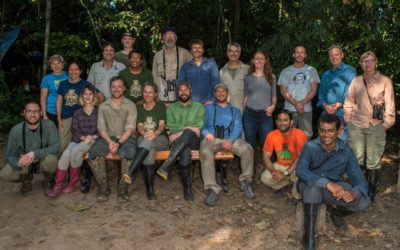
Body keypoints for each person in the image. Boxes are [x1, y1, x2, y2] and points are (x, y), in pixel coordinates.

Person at [296, 114, 370, 250]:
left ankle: (336, 210)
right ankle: (309, 238)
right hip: (308, 185)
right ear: (318, 130)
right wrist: (326, 183)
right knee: (314, 189)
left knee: (364, 200)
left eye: (330, 130)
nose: (326, 135)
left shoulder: (346, 151)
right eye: (322, 130)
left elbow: (360, 181)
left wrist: (354, 193)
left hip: (333, 191)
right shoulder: (310, 146)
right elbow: (300, 171)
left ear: (339, 131)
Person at [344, 51, 395, 201]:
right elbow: (349, 102)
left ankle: (370, 194)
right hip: (357, 125)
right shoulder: (356, 81)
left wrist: (386, 124)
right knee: (356, 158)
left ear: (376, 62)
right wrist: (348, 120)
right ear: (361, 64)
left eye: (370, 61)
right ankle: (358, 190)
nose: (368, 64)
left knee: (373, 160)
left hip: (376, 125)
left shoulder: (385, 81)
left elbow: (390, 105)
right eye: (364, 61)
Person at [200, 83, 255, 206]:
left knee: (247, 148)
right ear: (215, 94)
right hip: (212, 139)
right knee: (204, 150)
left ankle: (246, 181)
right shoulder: (208, 108)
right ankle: (212, 188)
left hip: (230, 139)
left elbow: (238, 127)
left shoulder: (235, 110)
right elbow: (201, 124)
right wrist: (206, 133)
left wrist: (230, 139)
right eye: (218, 91)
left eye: (223, 91)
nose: (220, 93)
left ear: (227, 93)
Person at [88, 76, 137, 203]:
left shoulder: (131, 105)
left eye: (119, 86)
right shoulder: (103, 106)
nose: (116, 89)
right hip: (107, 138)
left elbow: (130, 129)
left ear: (124, 88)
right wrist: (110, 142)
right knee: (93, 153)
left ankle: (123, 188)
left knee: (130, 153)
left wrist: (119, 143)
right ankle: (103, 187)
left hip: (125, 138)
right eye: (114, 87)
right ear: (110, 89)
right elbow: (101, 128)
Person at [156, 81, 205, 201]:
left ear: (190, 91)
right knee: (185, 150)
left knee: (189, 134)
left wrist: (183, 131)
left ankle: (167, 165)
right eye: (181, 90)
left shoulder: (199, 107)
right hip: (180, 142)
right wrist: (188, 128)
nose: (183, 92)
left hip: (193, 141)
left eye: (185, 90)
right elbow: (172, 127)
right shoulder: (171, 108)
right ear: (178, 93)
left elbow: (198, 126)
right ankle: (187, 189)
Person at [48, 86, 99, 198]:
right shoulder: (77, 112)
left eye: (90, 94)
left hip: (93, 140)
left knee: (76, 150)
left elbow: (103, 129)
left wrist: (92, 137)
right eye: (85, 94)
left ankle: (73, 182)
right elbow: (75, 130)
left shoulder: (99, 112)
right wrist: (83, 138)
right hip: (78, 139)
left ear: (94, 96)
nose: (88, 96)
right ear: (81, 97)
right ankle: (57, 185)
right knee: (65, 154)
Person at [121, 83, 169, 200]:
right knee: (149, 151)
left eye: (150, 92)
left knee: (148, 143)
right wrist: (145, 134)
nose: (147, 95)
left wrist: (155, 133)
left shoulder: (161, 107)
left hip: (160, 139)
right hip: (144, 138)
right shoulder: (140, 109)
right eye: (145, 92)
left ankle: (131, 171)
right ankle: (150, 189)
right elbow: (140, 126)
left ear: (155, 94)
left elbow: (162, 125)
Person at [0, 101, 59, 194]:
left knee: (52, 160)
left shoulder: (50, 125)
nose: (32, 114)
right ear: (24, 113)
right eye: (29, 111)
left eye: (36, 111)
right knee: (5, 174)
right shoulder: (16, 130)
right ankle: (26, 180)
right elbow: (10, 154)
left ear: (41, 113)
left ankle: (47, 181)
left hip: (42, 160)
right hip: (25, 163)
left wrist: (35, 153)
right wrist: (18, 163)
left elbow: (55, 146)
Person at [56, 62, 104, 153]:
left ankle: (78, 166)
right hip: (66, 118)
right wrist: (59, 119)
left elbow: (101, 97)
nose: (73, 72)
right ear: (67, 71)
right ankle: (64, 166)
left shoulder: (85, 84)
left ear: (80, 71)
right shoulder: (63, 84)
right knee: (62, 146)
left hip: (82, 119)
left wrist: (94, 109)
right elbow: (59, 101)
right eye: (71, 69)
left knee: (80, 145)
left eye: (76, 69)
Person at [261, 109, 307, 199]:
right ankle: (288, 184)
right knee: (265, 178)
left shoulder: (299, 134)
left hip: (297, 166)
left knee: (300, 179)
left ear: (291, 122)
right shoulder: (271, 135)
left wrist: (285, 173)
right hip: (281, 164)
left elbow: (301, 157)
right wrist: (274, 172)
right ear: (276, 122)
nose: (282, 123)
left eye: (285, 120)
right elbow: (266, 156)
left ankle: (294, 191)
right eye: (280, 120)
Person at [278, 44, 319, 139]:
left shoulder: (312, 70)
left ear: (305, 55)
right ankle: (287, 154)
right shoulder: (286, 71)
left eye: (302, 52)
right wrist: (297, 104)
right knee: (287, 137)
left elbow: (314, 90)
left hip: (306, 110)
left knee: (305, 137)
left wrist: (302, 103)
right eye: (297, 52)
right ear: (293, 55)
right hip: (289, 110)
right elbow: (283, 91)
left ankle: (303, 154)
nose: (299, 55)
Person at [317, 45, 356, 140]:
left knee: (341, 144)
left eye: (336, 54)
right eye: (331, 55)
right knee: (325, 142)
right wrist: (325, 105)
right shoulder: (326, 74)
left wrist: (339, 104)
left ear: (342, 55)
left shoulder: (350, 71)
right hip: (326, 113)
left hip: (342, 114)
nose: (334, 57)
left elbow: (352, 93)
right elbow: (321, 94)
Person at [243, 50, 277, 149]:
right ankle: (250, 164)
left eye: (262, 59)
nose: (259, 61)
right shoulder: (247, 78)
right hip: (249, 114)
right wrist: (244, 111)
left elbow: (274, 96)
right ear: (253, 61)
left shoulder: (271, 77)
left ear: (265, 61)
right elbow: (246, 96)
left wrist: (273, 107)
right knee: (249, 143)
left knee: (267, 143)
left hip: (266, 115)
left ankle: (266, 164)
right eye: (257, 59)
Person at [152, 26, 192, 103]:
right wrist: (155, 93)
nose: (170, 38)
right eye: (167, 35)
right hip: (162, 94)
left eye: (172, 35)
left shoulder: (184, 53)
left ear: (176, 38)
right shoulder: (157, 55)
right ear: (163, 38)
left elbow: (193, 69)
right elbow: (154, 74)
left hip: (179, 94)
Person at [177, 39, 220, 105]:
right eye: (194, 48)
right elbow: (179, 84)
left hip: (209, 103)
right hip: (191, 104)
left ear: (203, 50)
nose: (197, 50)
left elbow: (216, 83)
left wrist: (212, 99)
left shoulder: (211, 64)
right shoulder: (186, 66)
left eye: (199, 48)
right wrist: (184, 100)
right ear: (191, 51)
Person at [219, 42, 249, 113]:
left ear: (239, 53)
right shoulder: (221, 71)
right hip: (227, 112)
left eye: (236, 51)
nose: (233, 54)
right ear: (227, 52)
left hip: (245, 111)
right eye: (231, 51)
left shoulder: (248, 69)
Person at [40, 54, 68, 126]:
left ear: (63, 64)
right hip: (51, 112)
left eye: (58, 63)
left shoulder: (69, 75)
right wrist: (44, 115)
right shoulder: (46, 79)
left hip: (67, 111)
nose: (56, 66)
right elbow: (43, 98)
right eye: (53, 63)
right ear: (50, 66)